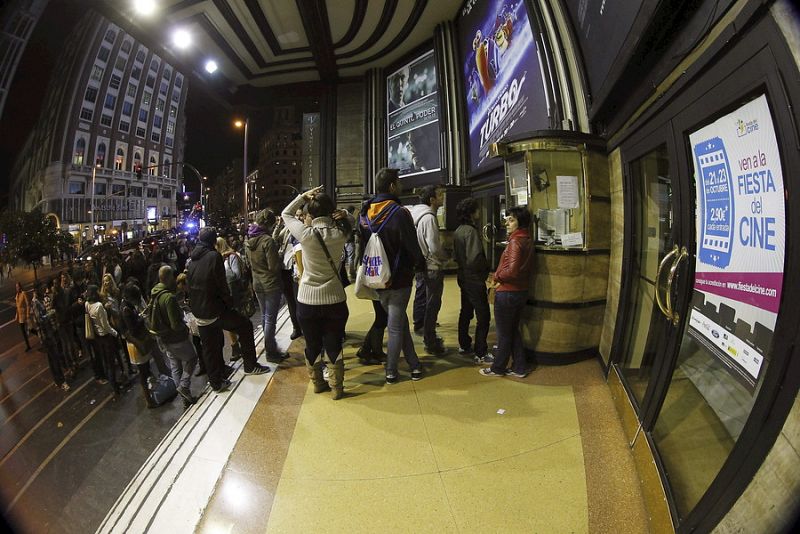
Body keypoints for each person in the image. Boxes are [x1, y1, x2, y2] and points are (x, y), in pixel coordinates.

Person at [282, 186, 353, 400]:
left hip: (307, 301)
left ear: (310, 215)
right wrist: (346, 214)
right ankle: (337, 388)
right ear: (332, 212)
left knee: (312, 344)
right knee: (333, 343)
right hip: (335, 300)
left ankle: (318, 384)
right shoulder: (340, 232)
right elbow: (354, 221)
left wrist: (302, 197)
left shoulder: (306, 234)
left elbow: (286, 213)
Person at [357, 168, 426, 384]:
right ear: (392, 186)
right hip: (398, 278)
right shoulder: (399, 212)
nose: (401, 185)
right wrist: (421, 265)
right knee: (395, 326)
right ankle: (391, 371)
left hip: (376, 276)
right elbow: (411, 245)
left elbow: (361, 245)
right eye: (399, 181)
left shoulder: (365, 212)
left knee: (399, 321)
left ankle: (414, 365)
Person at [187, 227, 270, 393]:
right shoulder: (213, 256)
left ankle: (218, 378)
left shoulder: (192, 259)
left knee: (211, 345)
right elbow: (221, 284)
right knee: (245, 326)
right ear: (212, 241)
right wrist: (229, 303)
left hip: (199, 310)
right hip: (214, 308)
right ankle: (250, 365)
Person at [480, 206, 533, 378]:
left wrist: (496, 275)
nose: (507, 223)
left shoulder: (515, 242)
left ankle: (498, 368)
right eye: (507, 220)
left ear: (520, 222)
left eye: (511, 220)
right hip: (521, 291)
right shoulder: (527, 239)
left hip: (508, 292)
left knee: (504, 333)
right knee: (513, 330)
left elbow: (511, 271)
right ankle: (519, 367)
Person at [151, 265, 199, 409]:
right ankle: (184, 386)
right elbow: (175, 324)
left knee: (176, 367)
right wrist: (185, 328)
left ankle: (185, 399)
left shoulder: (154, 294)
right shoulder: (168, 297)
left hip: (164, 339)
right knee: (192, 358)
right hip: (176, 338)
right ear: (168, 277)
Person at [453, 198, 494, 364]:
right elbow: (475, 258)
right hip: (474, 279)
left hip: (463, 277)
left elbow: (457, 257)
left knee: (466, 311)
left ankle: (464, 344)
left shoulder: (458, 231)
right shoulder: (470, 232)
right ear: (472, 213)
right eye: (477, 210)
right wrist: (486, 272)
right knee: (483, 315)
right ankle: (481, 351)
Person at [409, 185, 447, 354]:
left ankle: (419, 325)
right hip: (432, 265)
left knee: (422, 296)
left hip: (420, 263)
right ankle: (431, 341)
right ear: (432, 200)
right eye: (440, 195)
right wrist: (444, 256)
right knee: (433, 304)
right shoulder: (429, 218)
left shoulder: (415, 214)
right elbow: (434, 246)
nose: (443, 197)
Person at [246, 209, 288, 362]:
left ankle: (270, 346)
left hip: (257, 283)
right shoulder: (267, 241)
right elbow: (273, 266)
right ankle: (271, 351)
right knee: (270, 318)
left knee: (265, 316)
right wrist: (281, 255)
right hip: (270, 284)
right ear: (269, 224)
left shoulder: (249, 240)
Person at [121, 282, 159, 408]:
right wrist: (140, 319)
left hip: (136, 343)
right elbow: (133, 330)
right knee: (143, 372)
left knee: (145, 370)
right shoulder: (126, 309)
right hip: (137, 344)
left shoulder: (126, 305)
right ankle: (148, 400)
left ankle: (150, 394)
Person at [31, 285, 69, 391]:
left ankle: (58, 380)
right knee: (54, 358)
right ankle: (61, 381)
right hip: (46, 335)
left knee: (53, 358)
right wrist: (49, 314)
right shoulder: (35, 303)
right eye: (41, 289)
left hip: (51, 332)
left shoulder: (42, 300)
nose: (44, 290)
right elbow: (39, 320)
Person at [85, 284, 122, 394]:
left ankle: (113, 383)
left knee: (106, 361)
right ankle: (115, 386)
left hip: (97, 337)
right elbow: (105, 325)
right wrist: (115, 333)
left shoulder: (87, 304)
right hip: (106, 337)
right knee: (110, 363)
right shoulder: (99, 306)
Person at [273, 217, 303, 339]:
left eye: (301, 215)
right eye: (295, 215)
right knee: (290, 300)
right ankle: (296, 327)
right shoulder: (286, 229)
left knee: (299, 300)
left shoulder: (304, 231)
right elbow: (275, 240)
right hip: (285, 268)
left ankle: (304, 327)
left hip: (298, 270)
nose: (298, 218)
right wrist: (278, 225)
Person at [14, 282, 32, 351]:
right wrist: (16, 315)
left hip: (25, 315)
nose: (17, 288)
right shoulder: (17, 296)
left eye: (18, 287)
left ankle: (40, 336)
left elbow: (28, 304)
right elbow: (17, 306)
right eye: (16, 287)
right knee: (23, 332)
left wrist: (28, 314)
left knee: (31, 329)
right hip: (21, 317)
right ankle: (28, 346)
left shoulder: (24, 293)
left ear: (20, 287)